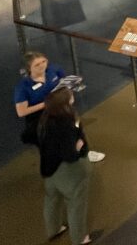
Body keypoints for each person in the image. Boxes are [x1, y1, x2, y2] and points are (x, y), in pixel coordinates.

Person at [14, 52, 104, 162]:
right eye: (37, 65)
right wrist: (48, 103)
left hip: (62, 109)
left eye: (44, 61)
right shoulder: (23, 87)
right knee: (59, 138)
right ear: (29, 68)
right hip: (41, 116)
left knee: (76, 128)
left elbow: (66, 85)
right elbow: (21, 112)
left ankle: (85, 152)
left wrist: (69, 97)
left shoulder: (54, 70)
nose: (42, 65)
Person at [37, 87, 93, 245]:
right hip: (68, 171)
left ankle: (53, 229)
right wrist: (79, 147)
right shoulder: (67, 122)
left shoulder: (45, 118)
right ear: (65, 102)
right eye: (70, 95)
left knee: (51, 199)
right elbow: (70, 154)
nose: (73, 96)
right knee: (76, 204)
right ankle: (80, 238)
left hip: (49, 168)